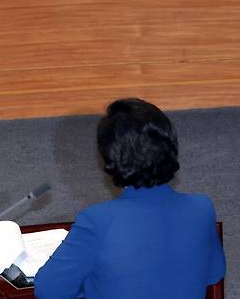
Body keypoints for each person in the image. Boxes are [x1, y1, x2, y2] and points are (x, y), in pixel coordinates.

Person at [34, 98, 226, 299]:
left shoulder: (97, 220)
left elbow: (49, 290)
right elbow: (213, 274)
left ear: (109, 159)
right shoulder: (202, 208)